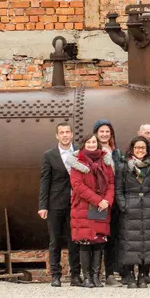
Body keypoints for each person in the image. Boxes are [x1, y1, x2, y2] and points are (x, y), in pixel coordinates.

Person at [38, 123, 82, 287]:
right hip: (55, 203)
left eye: (67, 132)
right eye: (61, 133)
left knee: (74, 240)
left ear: (72, 134)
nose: (64, 135)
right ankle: (55, 275)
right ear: (57, 136)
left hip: (76, 203)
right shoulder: (49, 155)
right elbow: (45, 181)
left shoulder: (79, 152)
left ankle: (75, 275)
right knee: (55, 240)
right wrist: (42, 205)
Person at [69, 134, 115, 288]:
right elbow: (78, 186)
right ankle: (87, 277)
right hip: (84, 207)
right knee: (85, 242)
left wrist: (107, 200)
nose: (91, 144)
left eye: (94, 142)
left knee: (99, 242)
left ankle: (96, 277)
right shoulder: (77, 162)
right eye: (88, 142)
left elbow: (110, 183)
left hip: (102, 206)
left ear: (98, 144)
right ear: (83, 145)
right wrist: (98, 200)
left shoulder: (105, 161)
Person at [115, 137, 150, 289]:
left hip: (147, 206)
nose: (140, 150)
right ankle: (130, 275)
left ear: (147, 150)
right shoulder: (124, 166)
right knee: (130, 242)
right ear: (132, 149)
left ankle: (143, 275)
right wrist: (124, 205)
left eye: (143, 148)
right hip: (130, 205)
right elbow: (119, 189)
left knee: (145, 242)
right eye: (137, 147)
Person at [93, 119, 123, 285]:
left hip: (114, 200)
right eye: (101, 131)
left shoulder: (116, 153)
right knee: (97, 237)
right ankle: (94, 273)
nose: (104, 134)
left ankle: (110, 273)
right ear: (96, 133)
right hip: (99, 200)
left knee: (113, 237)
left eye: (107, 131)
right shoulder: (92, 151)